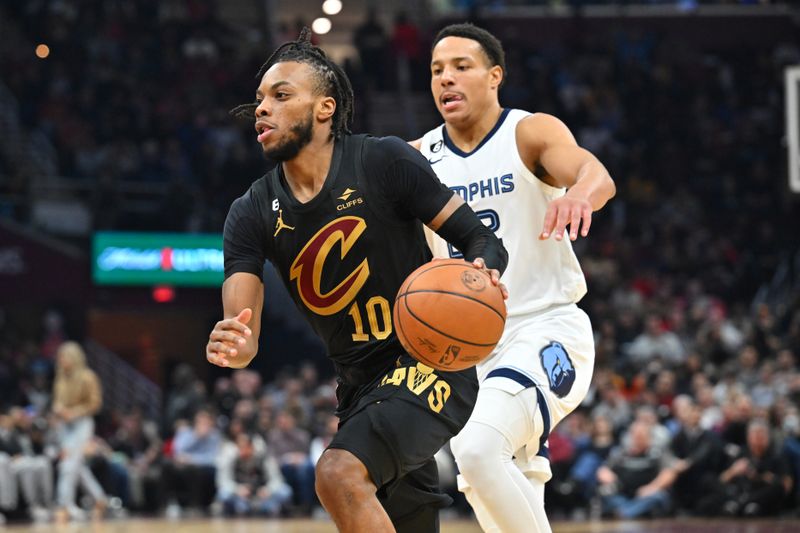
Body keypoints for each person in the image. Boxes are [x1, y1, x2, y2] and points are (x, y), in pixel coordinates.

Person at [206, 28, 508, 533]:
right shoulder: (250, 213)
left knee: (338, 471)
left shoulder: (383, 160)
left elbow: (481, 239)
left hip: (430, 361)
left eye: (281, 96)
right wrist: (232, 345)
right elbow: (245, 337)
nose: (262, 108)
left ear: (325, 108)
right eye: (259, 99)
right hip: (360, 388)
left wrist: (479, 278)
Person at [410, 23, 616, 532]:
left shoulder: (528, 132)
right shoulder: (416, 159)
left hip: (544, 327)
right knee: (504, 484)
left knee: (476, 450)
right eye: (437, 70)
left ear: (494, 76)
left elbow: (596, 175)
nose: (446, 79)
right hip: (466, 351)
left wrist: (577, 195)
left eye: (461, 66)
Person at [51, 341, 108, 522]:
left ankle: (63, 506)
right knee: (76, 466)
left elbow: (95, 403)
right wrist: (58, 409)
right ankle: (99, 499)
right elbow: (57, 402)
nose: (61, 360)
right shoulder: (60, 378)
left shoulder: (88, 376)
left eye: (64, 356)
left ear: (74, 357)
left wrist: (75, 412)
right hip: (64, 426)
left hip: (82, 423)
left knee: (68, 466)